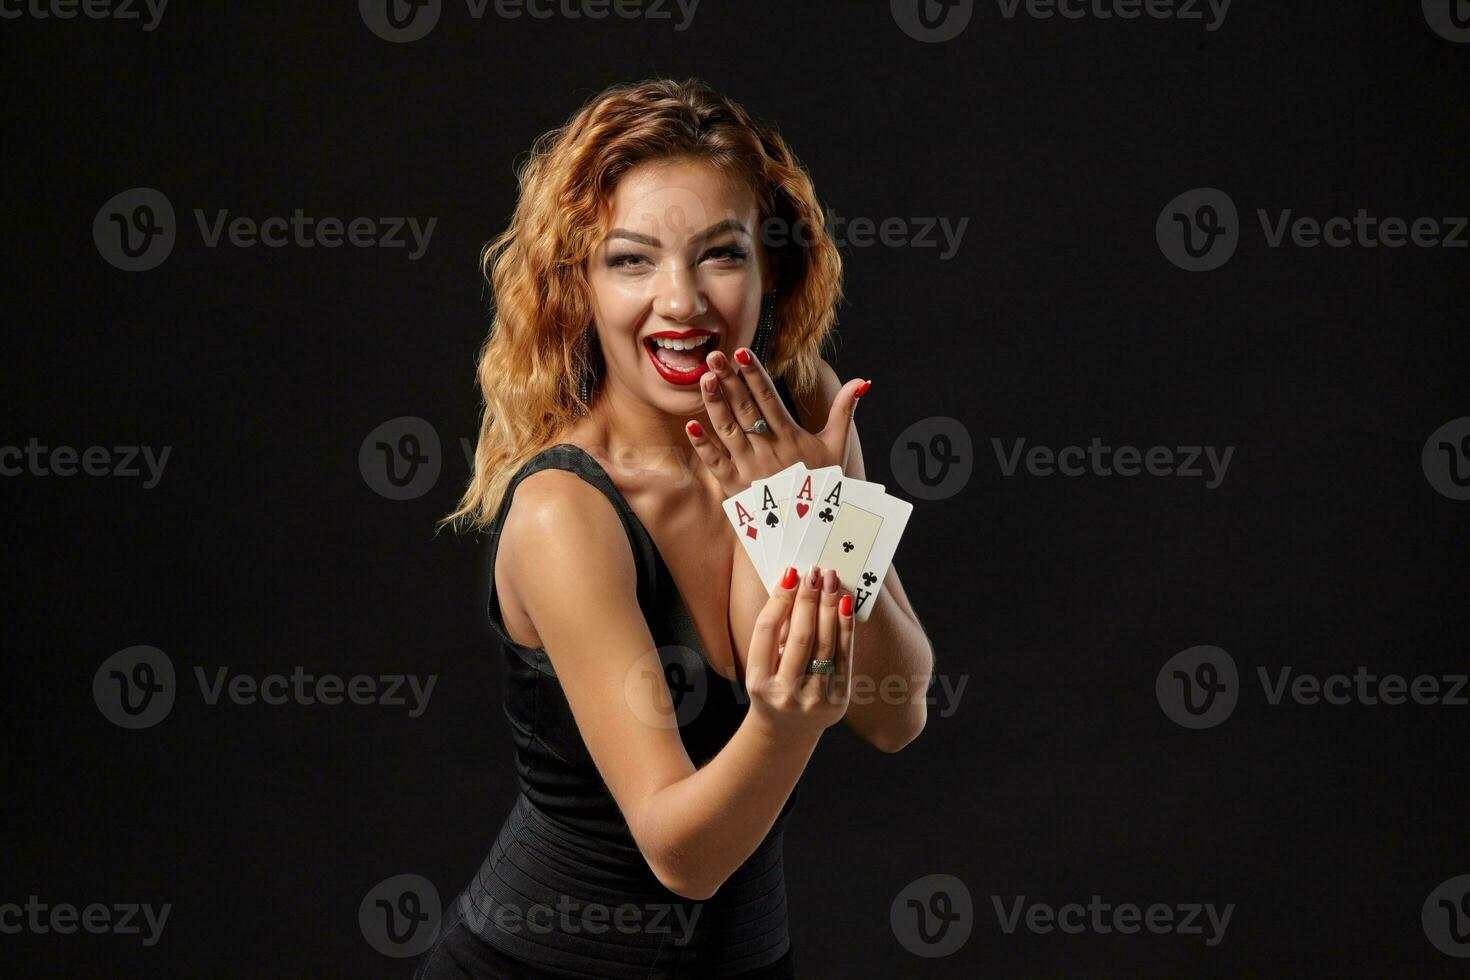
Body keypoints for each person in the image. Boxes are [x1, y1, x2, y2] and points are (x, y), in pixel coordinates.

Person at [420, 77, 934, 979]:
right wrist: (782, 725)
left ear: (770, 268)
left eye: (720, 255)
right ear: (576, 285)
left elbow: (895, 713)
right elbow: (681, 855)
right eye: (631, 260)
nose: (681, 300)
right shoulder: (562, 511)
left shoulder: (801, 412)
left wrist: (811, 518)